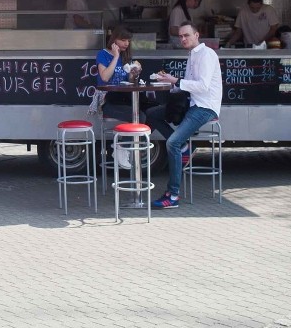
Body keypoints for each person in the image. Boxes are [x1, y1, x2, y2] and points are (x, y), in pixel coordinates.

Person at [146, 21, 222, 209]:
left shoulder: (206, 55)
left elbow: (203, 86)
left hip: (205, 107)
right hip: (193, 103)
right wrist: (171, 83)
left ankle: (173, 196)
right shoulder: (192, 56)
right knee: (152, 113)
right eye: (180, 36)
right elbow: (189, 84)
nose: (183, 39)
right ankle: (186, 145)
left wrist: (176, 81)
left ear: (197, 35)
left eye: (186, 35)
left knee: (172, 143)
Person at [95, 25, 142, 170]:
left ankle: (123, 147)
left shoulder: (126, 56)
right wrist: (115, 57)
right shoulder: (102, 54)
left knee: (144, 116)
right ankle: (122, 148)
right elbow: (105, 77)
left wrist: (135, 73)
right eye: (123, 40)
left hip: (123, 98)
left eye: (128, 40)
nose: (126, 43)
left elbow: (128, 80)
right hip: (108, 100)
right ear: (114, 40)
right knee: (137, 116)